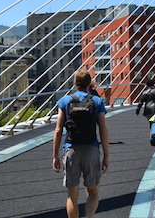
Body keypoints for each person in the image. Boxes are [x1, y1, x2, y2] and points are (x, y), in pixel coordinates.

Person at [53, 70, 109, 218]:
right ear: (89, 83)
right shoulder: (97, 101)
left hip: (71, 149)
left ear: (74, 83)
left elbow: (58, 130)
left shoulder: (65, 101)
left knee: (72, 195)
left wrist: (55, 156)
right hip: (91, 149)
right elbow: (103, 129)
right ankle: (90, 216)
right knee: (93, 191)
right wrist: (106, 156)